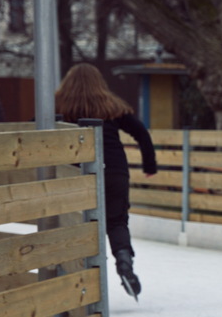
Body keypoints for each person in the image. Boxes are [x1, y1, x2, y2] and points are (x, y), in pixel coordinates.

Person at [55, 63, 157, 301]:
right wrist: (149, 166)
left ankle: (79, 278)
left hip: (74, 173)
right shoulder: (111, 106)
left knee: (75, 223)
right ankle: (123, 261)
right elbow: (142, 133)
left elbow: (34, 130)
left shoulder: (57, 106)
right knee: (117, 221)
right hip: (114, 171)